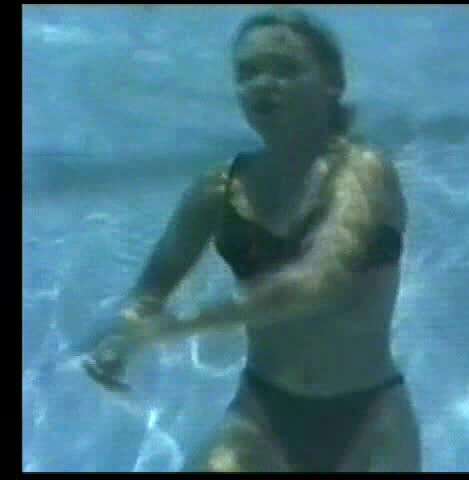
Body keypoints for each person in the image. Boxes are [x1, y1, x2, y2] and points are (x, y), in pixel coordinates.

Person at [82, 8, 421, 472]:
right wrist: (124, 337)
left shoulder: (363, 171)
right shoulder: (217, 190)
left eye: (286, 69)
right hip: (262, 415)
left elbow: (316, 282)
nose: (263, 84)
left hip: (370, 420)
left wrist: (175, 327)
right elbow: (152, 287)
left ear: (333, 83)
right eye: (248, 73)